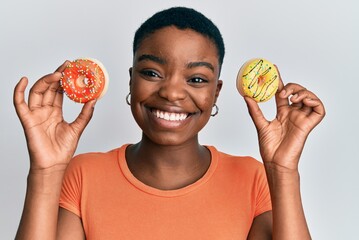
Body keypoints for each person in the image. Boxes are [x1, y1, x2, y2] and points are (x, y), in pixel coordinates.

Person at [13, 7, 325, 240]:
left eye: (197, 78)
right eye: (151, 73)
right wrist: (46, 171)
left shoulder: (252, 178)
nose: (172, 92)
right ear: (131, 80)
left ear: (215, 92)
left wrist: (283, 172)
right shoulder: (83, 175)